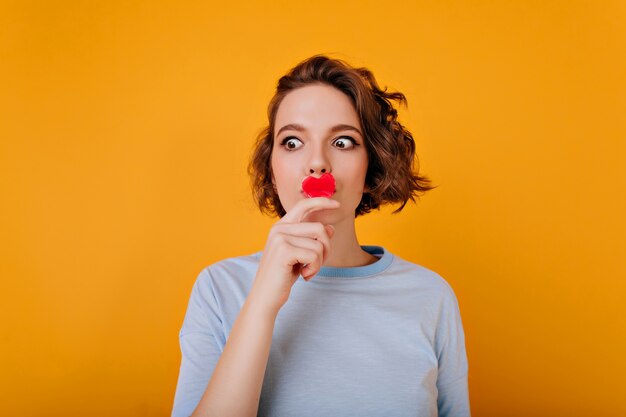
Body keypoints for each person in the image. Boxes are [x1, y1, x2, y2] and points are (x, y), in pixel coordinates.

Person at [171, 54, 470, 417]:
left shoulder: (431, 296)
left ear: (371, 164)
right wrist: (264, 301)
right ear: (272, 166)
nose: (317, 162)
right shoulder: (219, 289)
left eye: (343, 142)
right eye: (293, 142)